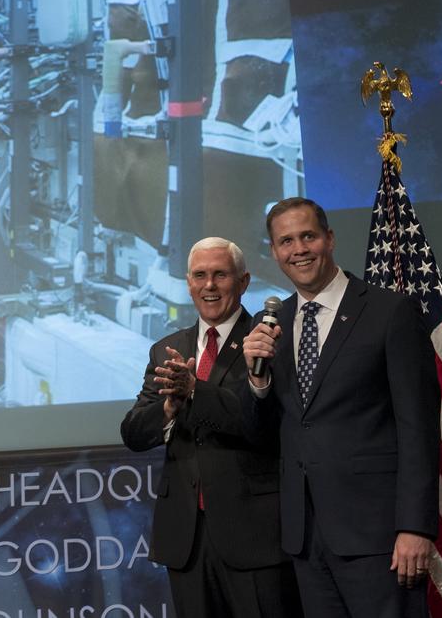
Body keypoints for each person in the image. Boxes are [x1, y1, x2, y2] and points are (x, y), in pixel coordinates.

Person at [241, 197, 439, 618]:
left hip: (379, 536)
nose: (299, 249)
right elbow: (277, 428)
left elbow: (418, 428)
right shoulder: (273, 323)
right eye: (286, 241)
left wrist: (415, 527)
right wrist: (257, 382)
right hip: (306, 538)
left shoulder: (390, 312)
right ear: (274, 253)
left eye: (308, 236)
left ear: (329, 239)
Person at [121, 237, 302, 618]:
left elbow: (260, 426)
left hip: (254, 537)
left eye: (221, 275)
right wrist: (169, 407)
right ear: (188, 283)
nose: (209, 285)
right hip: (186, 540)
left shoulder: (268, 340)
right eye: (200, 276)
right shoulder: (167, 348)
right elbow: (134, 433)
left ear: (244, 281)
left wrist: (194, 392)